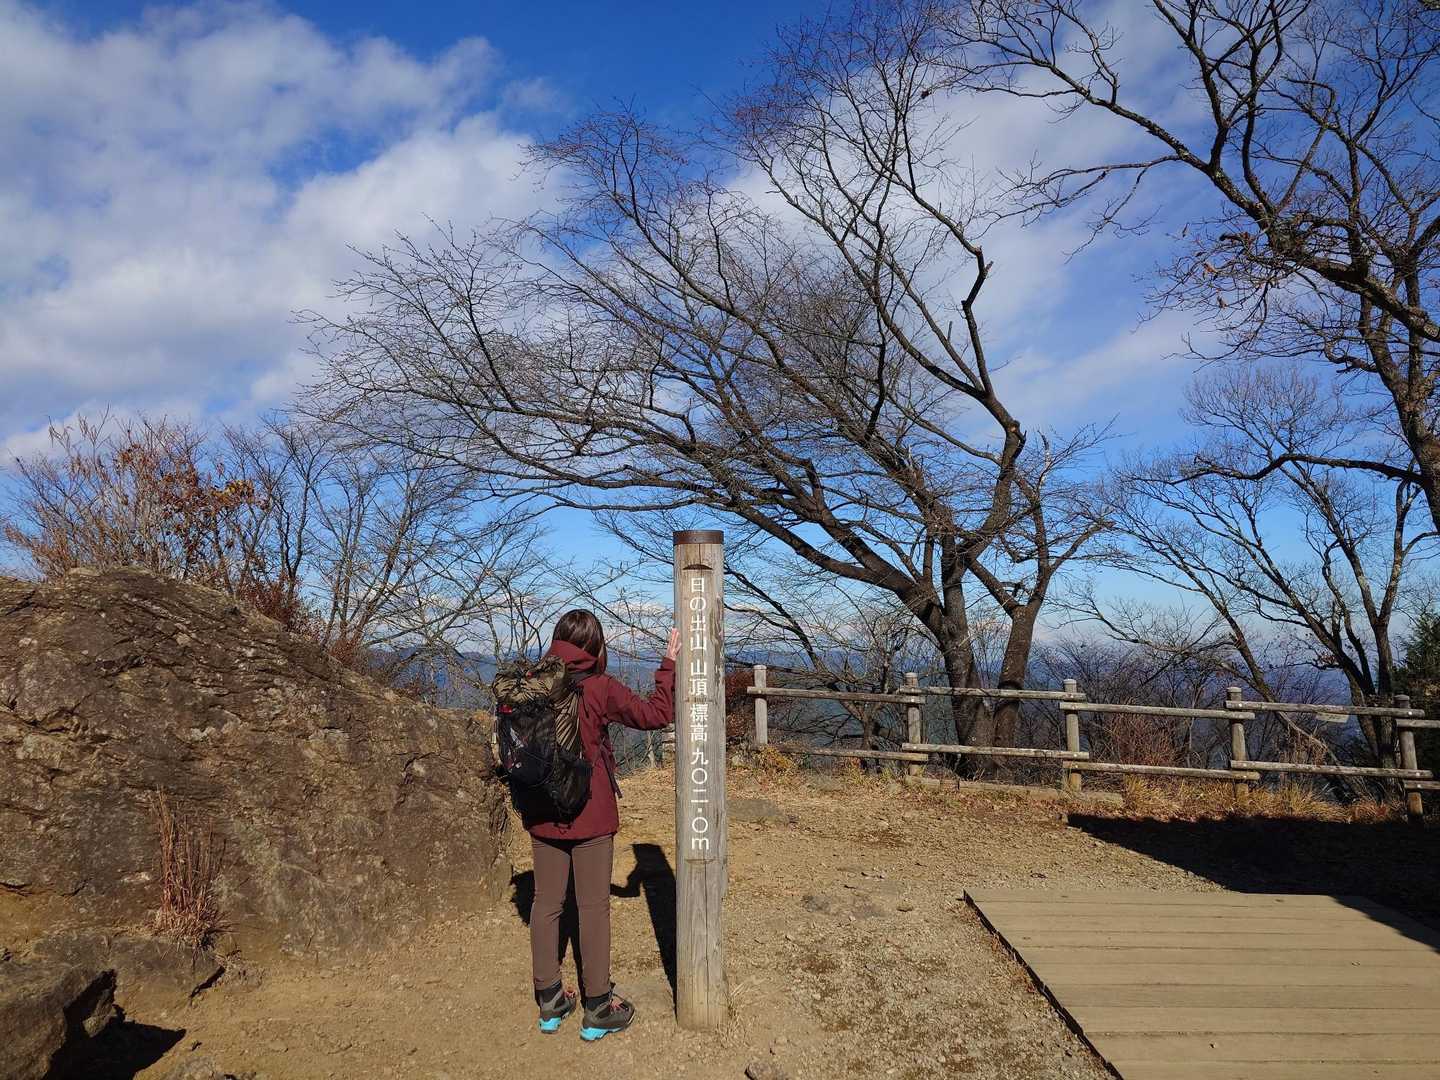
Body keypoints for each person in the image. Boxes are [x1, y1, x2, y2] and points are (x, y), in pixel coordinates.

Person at [526, 609, 678, 1041]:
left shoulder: (533, 682)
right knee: (591, 907)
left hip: (542, 809)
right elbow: (656, 714)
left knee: (546, 902)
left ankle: (550, 1000)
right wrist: (668, 664)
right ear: (595, 646)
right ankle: (598, 1006)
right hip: (589, 813)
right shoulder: (599, 686)